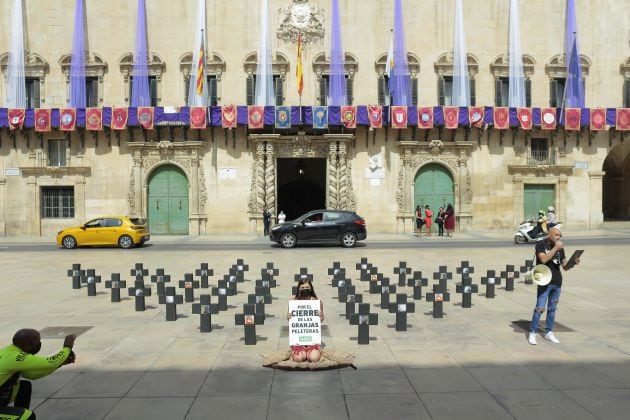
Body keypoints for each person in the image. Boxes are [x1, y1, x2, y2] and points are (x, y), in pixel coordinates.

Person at [1, 330, 77, 419]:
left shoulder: (8, 352)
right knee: (28, 416)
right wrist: (67, 347)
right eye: (37, 342)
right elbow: (51, 362)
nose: (39, 345)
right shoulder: (16, 357)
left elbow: (32, 375)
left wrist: (60, 364)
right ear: (28, 344)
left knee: (24, 387)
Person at [527, 227, 579, 345]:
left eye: (560, 235)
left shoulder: (560, 248)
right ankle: (533, 332)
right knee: (539, 308)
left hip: (557, 282)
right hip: (544, 281)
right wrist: (555, 248)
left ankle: (549, 332)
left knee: (552, 309)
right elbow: (543, 259)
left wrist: (573, 263)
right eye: (556, 234)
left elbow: (565, 267)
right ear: (549, 234)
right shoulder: (541, 244)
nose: (558, 237)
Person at [286, 279, 324, 363]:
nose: (305, 289)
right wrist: (289, 317)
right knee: (298, 359)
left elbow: (321, 319)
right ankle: (301, 349)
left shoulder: (316, 302)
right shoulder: (294, 302)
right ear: (299, 289)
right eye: (302, 287)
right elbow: (290, 319)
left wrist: (321, 316)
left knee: (314, 358)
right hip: (298, 339)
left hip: (312, 337)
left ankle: (312, 349)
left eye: (307, 287)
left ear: (311, 288)